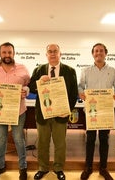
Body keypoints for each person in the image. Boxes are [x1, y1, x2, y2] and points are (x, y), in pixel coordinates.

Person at [28, 44, 78, 180]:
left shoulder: (70, 71)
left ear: (60, 53)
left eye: (55, 51)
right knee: (43, 142)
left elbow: (74, 93)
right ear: (46, 54)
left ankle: (58, 168)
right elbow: (31, 88)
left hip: (61, 114)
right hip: (43, 114)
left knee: (60, 143)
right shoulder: (38, 70)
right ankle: (42, 168)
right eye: (50, 51)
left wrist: (67, 110)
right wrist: (39, 82)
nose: (53, 54)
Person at [0, 42, 30, 180]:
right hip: (0, 111)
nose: (7, 55)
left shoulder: (22, 68)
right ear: (0, 54)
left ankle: (23, 167)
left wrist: (25, 91)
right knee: (1, 139)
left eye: (9, 52)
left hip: (18, 110)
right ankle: (0, 165)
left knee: (18, 139)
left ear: (13, 53)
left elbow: (28, 86)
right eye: (4, 52)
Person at [78, 43, 115, 180]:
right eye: (96, 51)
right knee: (90, 139)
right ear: (92, 54)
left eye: (101, 51)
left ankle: (103, 168)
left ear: (105, 53)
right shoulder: (86, 71)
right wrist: (81, 93)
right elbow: (80, 86)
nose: (98, 53)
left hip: (106, 110)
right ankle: (88, 167)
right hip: (91, 111)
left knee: (104, 140)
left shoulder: (113, 71)